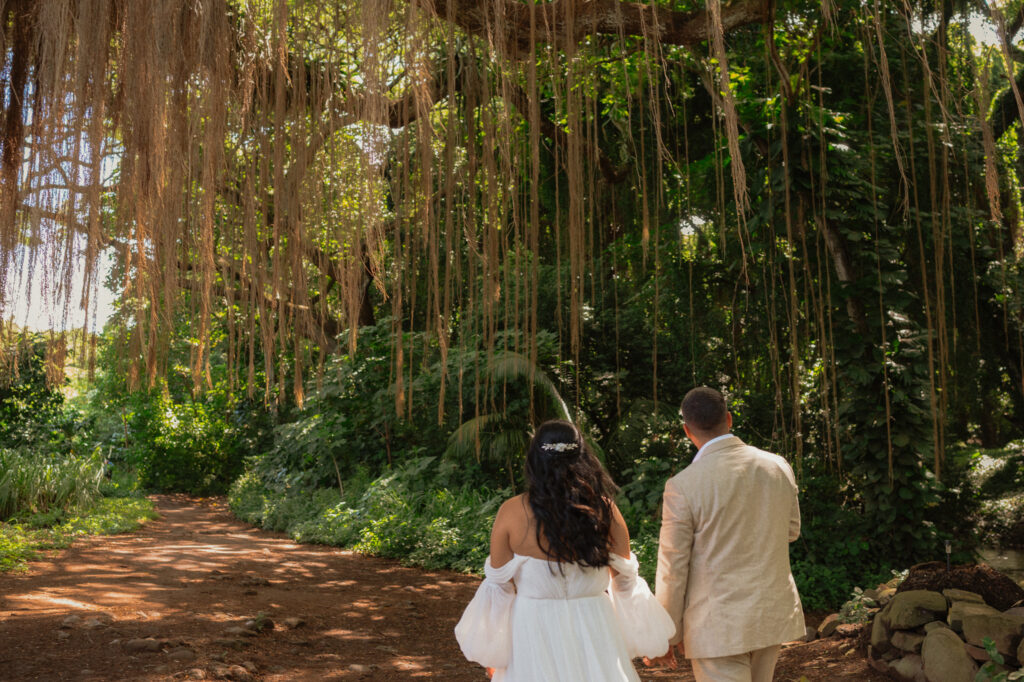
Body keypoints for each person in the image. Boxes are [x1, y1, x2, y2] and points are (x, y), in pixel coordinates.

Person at [455, 419, 674, 681]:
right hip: (595, 627)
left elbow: (499, 589)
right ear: (583, 457)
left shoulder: (511, 512)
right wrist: (651, 638)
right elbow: (625, 583)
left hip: (534, 629)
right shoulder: (604, 511)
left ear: (535, 459)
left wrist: (493, 653)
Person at [647, 387, 804, 682]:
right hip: (769, 614)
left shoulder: (684, 485)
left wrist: (667, 633)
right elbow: (791, 530)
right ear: (729, 419)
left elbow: (673, 568)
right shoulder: (777, 466)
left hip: (716, 624)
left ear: (686, 430)